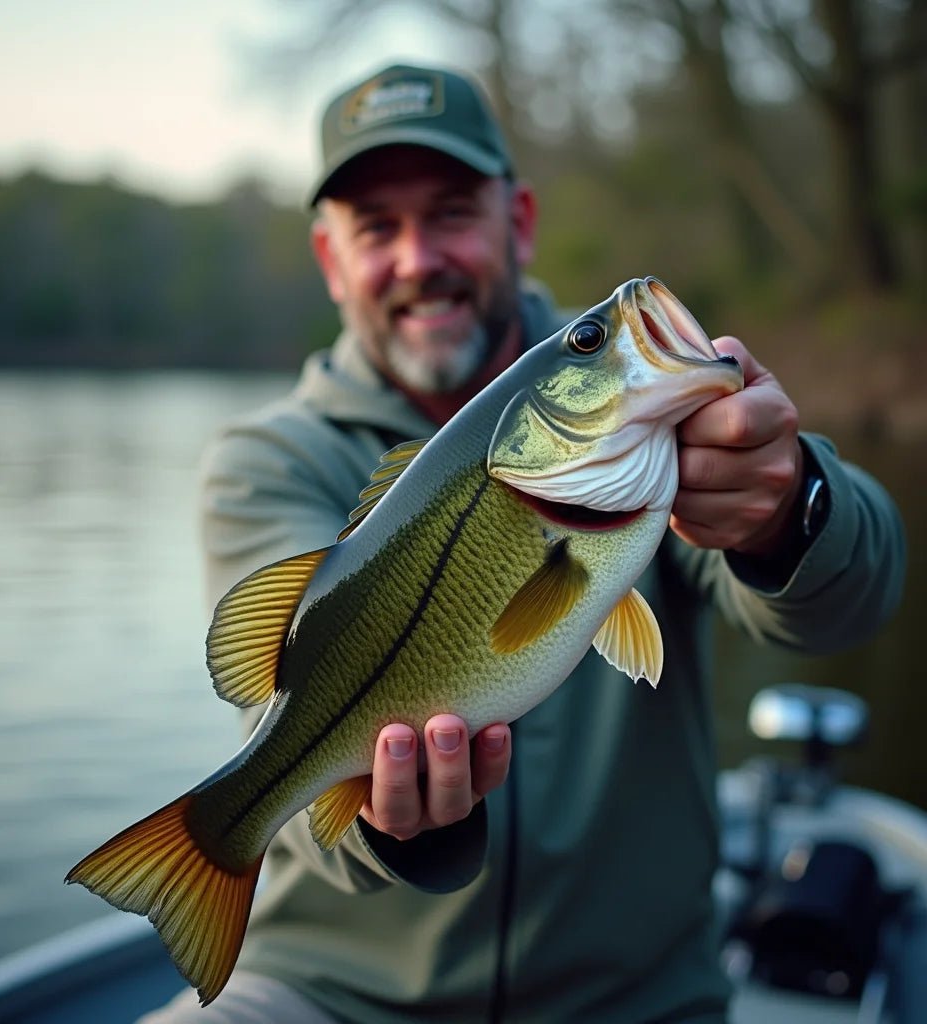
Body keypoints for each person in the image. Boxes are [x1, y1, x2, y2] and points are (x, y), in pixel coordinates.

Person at [142, 63, 906, 1024]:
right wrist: (388, 826)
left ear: (523, 221)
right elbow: (298, 771)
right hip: (333, 995)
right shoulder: (267, 458)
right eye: (377, 226)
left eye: (453, 209)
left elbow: (850, 603)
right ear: (333, 263)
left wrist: (789, 502)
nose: (419, 257)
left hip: (636, 1000)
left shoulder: (648, 438)